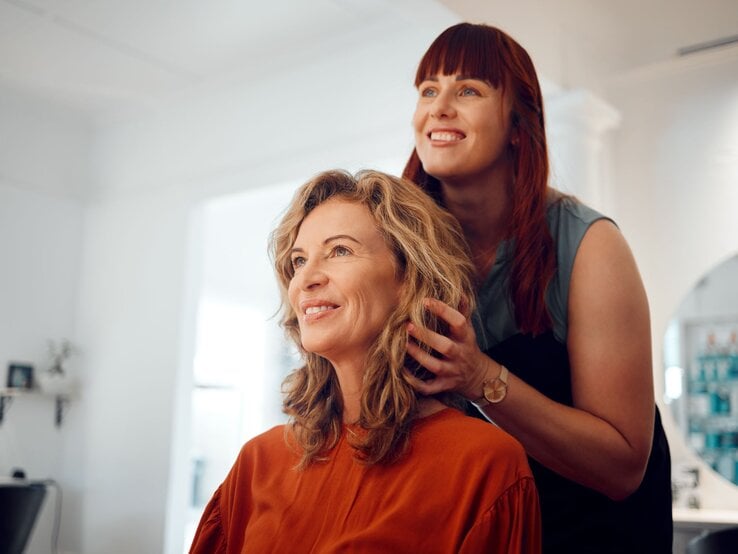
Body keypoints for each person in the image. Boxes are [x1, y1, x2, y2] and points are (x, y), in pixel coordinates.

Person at [401, 23, 672, 553]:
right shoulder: (401, 250)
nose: (439, 107)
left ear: (518, 125)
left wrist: (480, 377)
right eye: (428, 90)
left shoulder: (590, 245)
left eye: (469, 90)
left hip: (600, 530)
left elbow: (622, 467)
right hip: (488, 527)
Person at [189, 170, 541, 553]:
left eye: (339, 250)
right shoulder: (257, 463)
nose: (306, 279)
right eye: (298, 260)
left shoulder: (483, 464)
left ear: (409, 278)